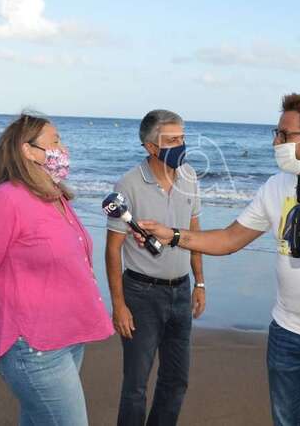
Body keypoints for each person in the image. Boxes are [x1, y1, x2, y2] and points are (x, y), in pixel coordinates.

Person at [136, 94, 300, 426]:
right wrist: (174, 235)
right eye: (276, 132)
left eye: (284, 134)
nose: (275, 141)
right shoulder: (276, 186)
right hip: (286, 331)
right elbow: (229, 239)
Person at [0, 113, 113, 426]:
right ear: (28, 150)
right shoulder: (6, 201)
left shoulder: (56, 198)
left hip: (68, 336)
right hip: (33, 348)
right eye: (55, 141)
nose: (63, 148)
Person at [105, 109, 205, 426]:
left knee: (176, 380)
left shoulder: (189, 176)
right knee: (136, 385)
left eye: (182, 138)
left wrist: (200, 283)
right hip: (141, 295)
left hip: (181, 291)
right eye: (172, 140)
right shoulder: (128, 184)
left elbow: (194, 235)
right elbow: (113, 249)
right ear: (151, 146)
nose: (181, 145)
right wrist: (119, 305)